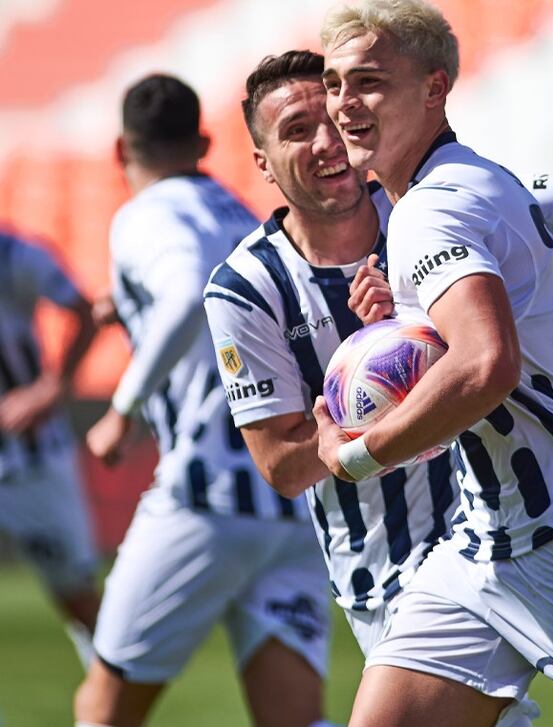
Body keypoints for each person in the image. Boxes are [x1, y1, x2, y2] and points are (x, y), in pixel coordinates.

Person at [206, 48, 553, 727]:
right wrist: (342, 432)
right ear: (262, 161)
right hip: (390, 569)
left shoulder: (436, 204)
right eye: (297, 130)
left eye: (331, 117)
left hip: (520, 516)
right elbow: (281, 465)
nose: (327, 140)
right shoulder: (246, 287)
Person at [74, 74, 333, 727]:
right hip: (290, 501)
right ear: (204, 142)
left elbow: (187, 287)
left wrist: (121, 409)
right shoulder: (239, 215)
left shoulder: (143, 214)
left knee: (101, 709)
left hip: (204, 497)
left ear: (119, 150)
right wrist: (129, 306)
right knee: (295, 720)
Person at [0, 229, 100, 669]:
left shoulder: (13, 254)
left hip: (30, 456)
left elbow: (86, 311)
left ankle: (109, 705)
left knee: (77, 596)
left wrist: (52, 387)